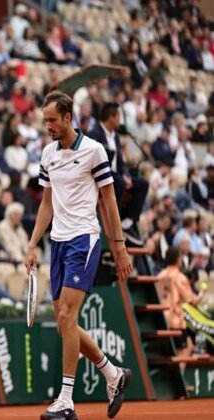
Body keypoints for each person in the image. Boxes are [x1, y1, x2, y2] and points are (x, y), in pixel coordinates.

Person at [25, 91, 132, 420]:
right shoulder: (47, 153)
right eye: (45, 121)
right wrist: (32, 244)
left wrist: (120, 246)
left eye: (53, 120)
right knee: (63, 323)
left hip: (84, 241)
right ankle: (112, 373)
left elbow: (109, 201)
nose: (48, 126)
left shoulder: (94, 151)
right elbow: (46, 202)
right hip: (57, 242)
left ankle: (66, 401)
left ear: (69, 117)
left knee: (67, 317)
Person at [88, 102, 149, 245]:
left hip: (117, 175)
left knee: (142, 184)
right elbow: (93, 162)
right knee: (120, 183)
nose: (120, 120)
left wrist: (126, 175)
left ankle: (128, 222)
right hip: (102, 175)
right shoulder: (94, 133)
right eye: (118, 116)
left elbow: (120, 161)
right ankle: (117, 220)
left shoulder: (115, 135)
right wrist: (122, 178)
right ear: (111, 117)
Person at [157, 247, 204, 363]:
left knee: (185, 346)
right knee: (186, 349)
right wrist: (203, 293)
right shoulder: (180, 277)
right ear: (178, 259)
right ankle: (178, 379)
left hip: (160, 319)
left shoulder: (160, 275)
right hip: (175, 321)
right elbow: (193, 301)